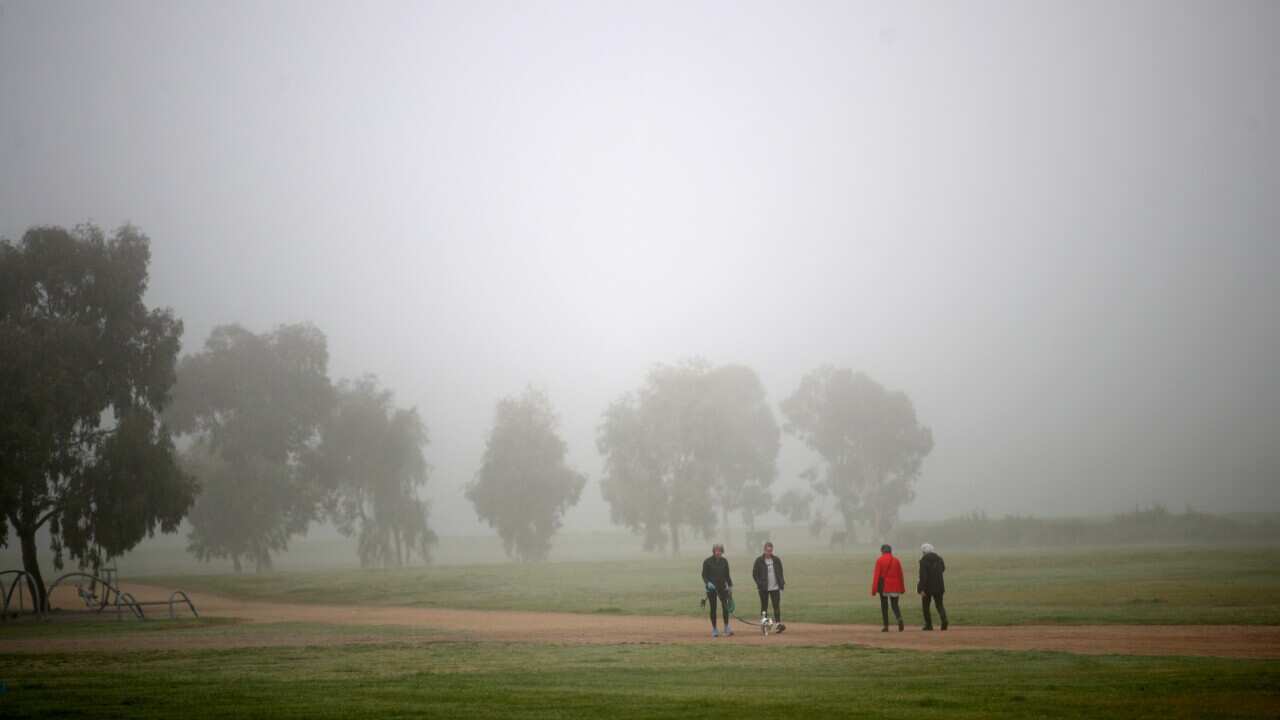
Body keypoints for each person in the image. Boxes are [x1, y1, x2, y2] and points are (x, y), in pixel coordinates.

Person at [751, 541, 786, 633]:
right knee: (764, 607)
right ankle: (765, 625)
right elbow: (754, 574)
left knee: (776, 606)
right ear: (764, 550)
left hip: (775, 588)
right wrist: (759, 583)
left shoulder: (776, 560)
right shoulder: (759, 561)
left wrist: (781, 583)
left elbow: (780, 572)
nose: (769, 552)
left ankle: (778, 624)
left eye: (770, 551)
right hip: (764, 589)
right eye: (767, 551)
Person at [870, 543, 905, 632]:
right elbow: (900, 575)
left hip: (884, 586)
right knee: (895, 605)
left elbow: (876, 576)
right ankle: (899, 619)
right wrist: (902, 588)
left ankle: (886, 626)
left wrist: (874, 590)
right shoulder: (896, 560)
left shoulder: (879, 560)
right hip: (895, 586)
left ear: (882, 551)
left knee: (884, 606)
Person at [701, 543, 734, 637]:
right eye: (716, 550)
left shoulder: (724, 561)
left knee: (725, 607)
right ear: (713, 551)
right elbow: (704, 575)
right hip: (711, 589)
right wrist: (708, 583)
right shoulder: (707, 561)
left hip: (722, 588)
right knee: (713, 608)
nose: (718, 552)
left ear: (722, 551)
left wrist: (730, 586)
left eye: (720, 551)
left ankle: (726, 627)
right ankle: (714, 629)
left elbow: (727, 575)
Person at [917, 542, 948, 631]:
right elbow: (943, 569)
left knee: (926, 607)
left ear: (924, 552)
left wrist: (921, 589)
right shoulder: (939, 559)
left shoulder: (923, 561)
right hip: (939, 586)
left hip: (927, 587)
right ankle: (944, 620)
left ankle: (928, 625)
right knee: (939, 605)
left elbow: (923, 576)